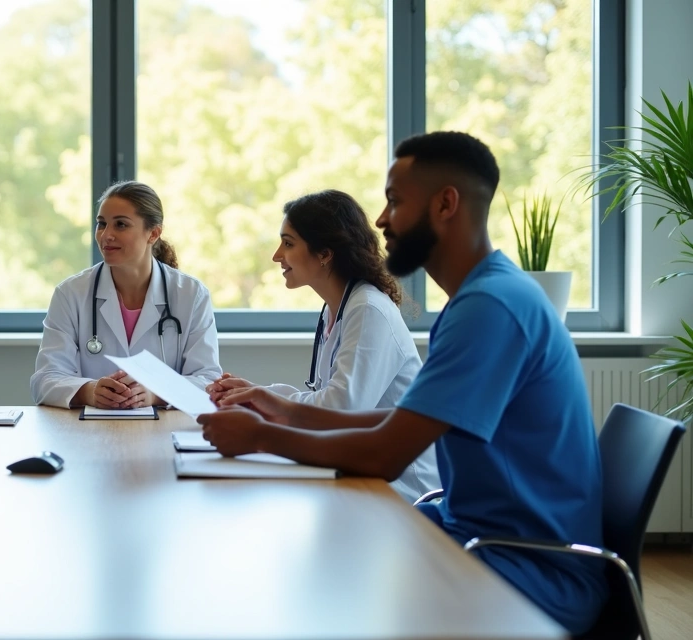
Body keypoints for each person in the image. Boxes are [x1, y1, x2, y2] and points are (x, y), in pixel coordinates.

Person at [197, 132, 607, 634]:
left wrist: (261, 434)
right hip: (468, 533)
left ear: (445, 204)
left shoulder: (491, 308)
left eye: (394, 201)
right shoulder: (479, 298)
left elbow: (385, 453)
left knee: (315, 591)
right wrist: (277, 409)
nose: (382, 219)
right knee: (309, 567)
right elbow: (397, 419)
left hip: (526, 567)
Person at [205, 190, 438, 502]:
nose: (277, 255)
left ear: (325, 253)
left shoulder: (368, 309)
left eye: (288, 243)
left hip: (402, 489)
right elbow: (324, 400)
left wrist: (264, 401)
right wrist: (256, 394)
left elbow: (341, 409)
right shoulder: (336, 308)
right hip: (355, 470)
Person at [31, 181, 222, 408]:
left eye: (120, 225)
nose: (106, 235)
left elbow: (208, 380)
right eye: (101, 224)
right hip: (89, 433)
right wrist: (89, 391)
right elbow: (44, 379)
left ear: (153, 233)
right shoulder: (71, 293)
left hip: (163, 432)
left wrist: (155, 393)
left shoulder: (191, 295)